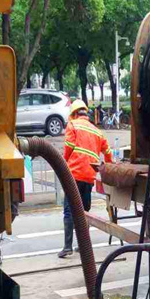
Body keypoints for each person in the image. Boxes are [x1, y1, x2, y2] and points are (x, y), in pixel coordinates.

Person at [60, 99, 114, 258]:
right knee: (84, 211)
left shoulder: (73, 125)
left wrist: (63, 165)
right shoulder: (97, 131)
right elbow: (108, 151)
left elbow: (68, 148)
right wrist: (110, 168)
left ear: (75, 114)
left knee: (69, 210)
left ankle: (67, 247)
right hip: (89, 176)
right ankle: (83, 246)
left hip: (74, 175)